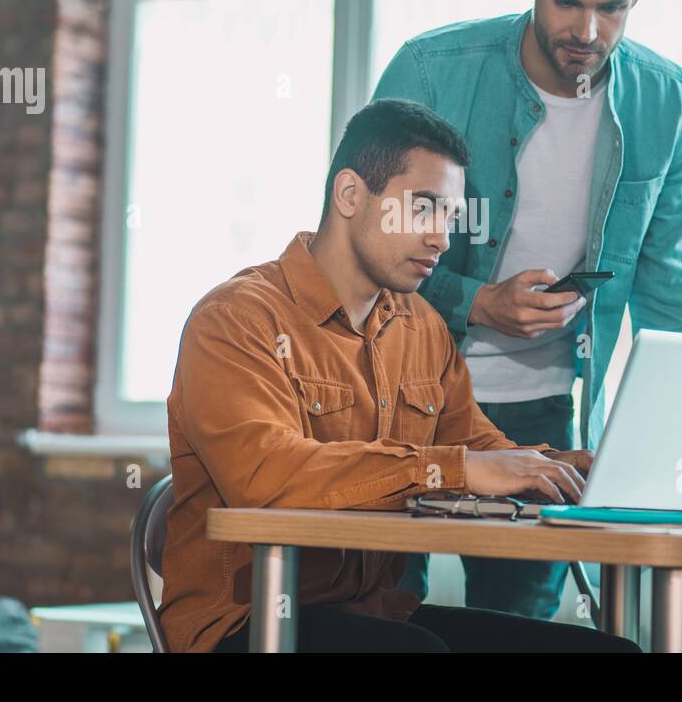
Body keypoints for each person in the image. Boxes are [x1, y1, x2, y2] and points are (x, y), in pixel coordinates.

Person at [158, 98, 640, 653]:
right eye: (425, 209)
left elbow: (477, 447)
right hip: (245, 624)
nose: (442, 239)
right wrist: (459, 468)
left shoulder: (422, 327)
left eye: (450, 220)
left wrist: (566, 468)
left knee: (608, 651)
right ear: (349, 195)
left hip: (378, 614)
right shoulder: (236, 319)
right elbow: (267, 477)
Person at [370, 0, 682, 621]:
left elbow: (669, 285)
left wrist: (670, 445)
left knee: (517, 629)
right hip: (403, 400)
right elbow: (364, 247)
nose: (587, 29)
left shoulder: (668, 100)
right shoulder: (432, 71)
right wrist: (477, 301)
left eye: (611, 7)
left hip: (547, 413)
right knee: (380, 614)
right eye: (565, 2)